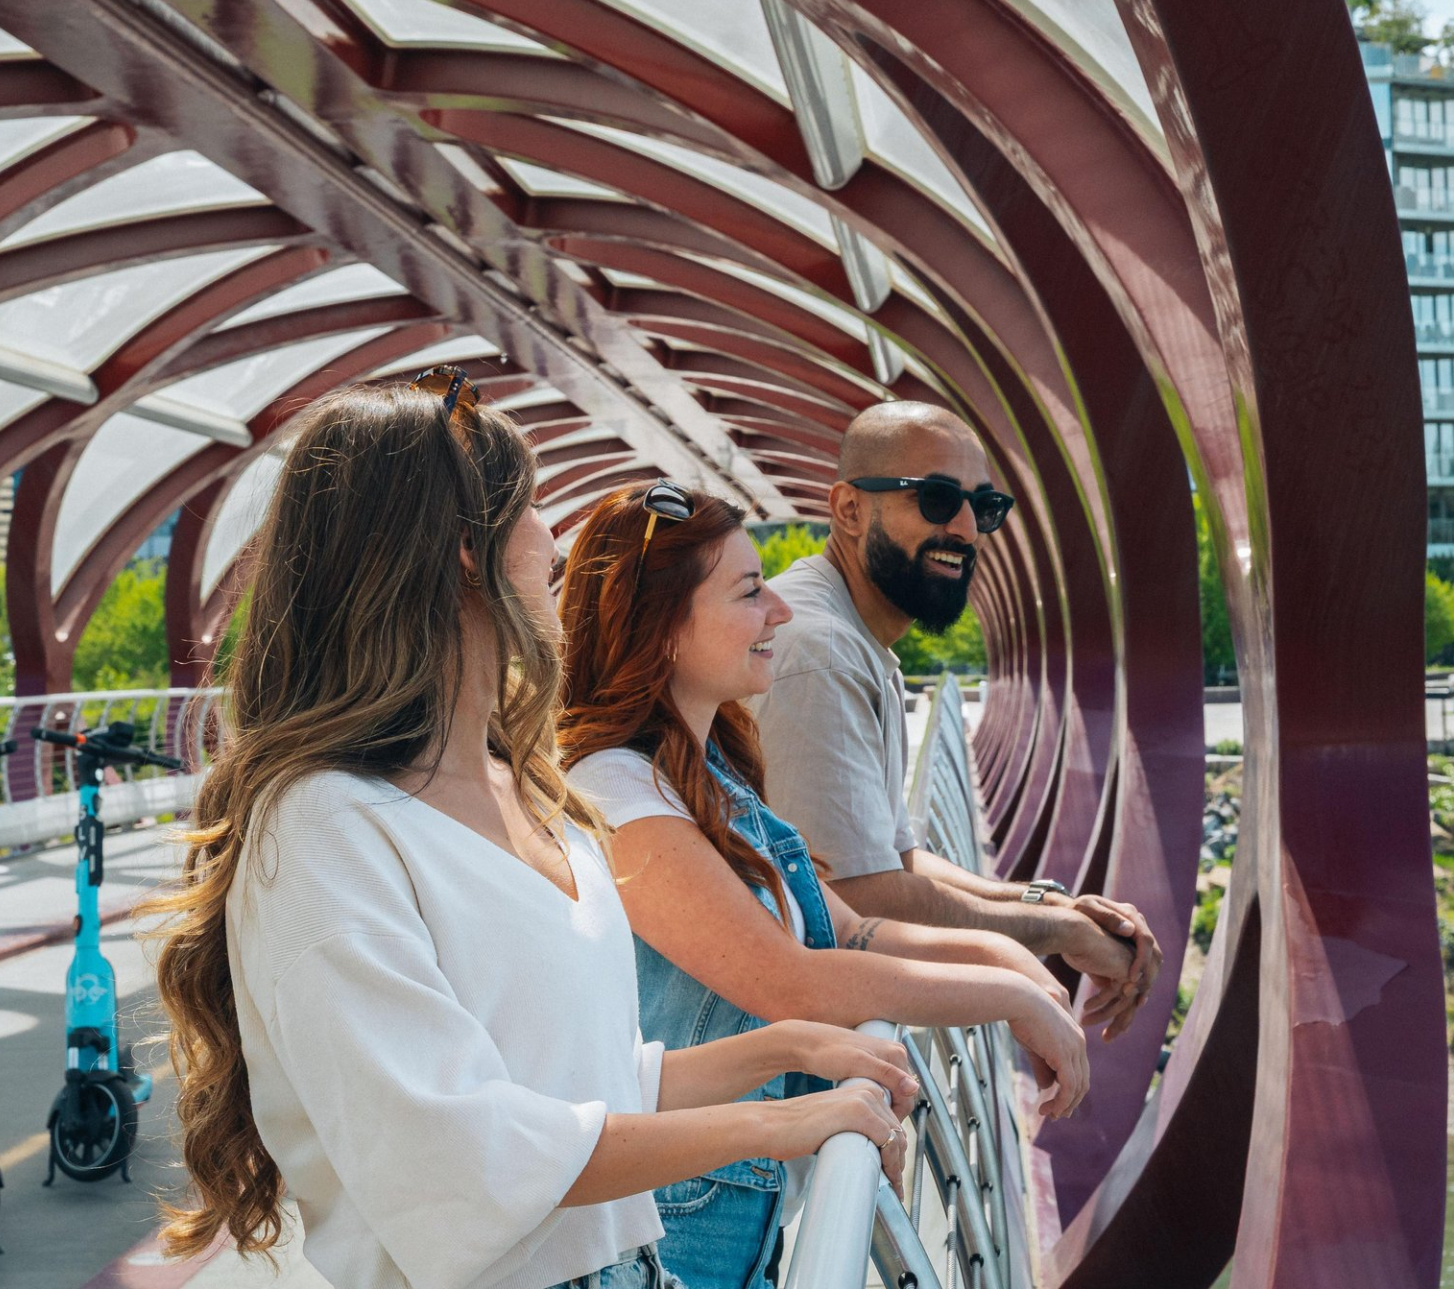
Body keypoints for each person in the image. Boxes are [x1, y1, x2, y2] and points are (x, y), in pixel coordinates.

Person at [148, 373, 909, 1289]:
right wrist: (783, 1122)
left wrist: (791, 1050)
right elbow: (461, 1153)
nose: (558, 539)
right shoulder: (319, 828)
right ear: (465, 553)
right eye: (536, 508)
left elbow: (577, 1082)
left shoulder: (528, 789)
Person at [558, 480, 1091, 1289]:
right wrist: (1009, 997)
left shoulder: (706, 774)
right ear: (663, 630)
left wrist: (1005, 955)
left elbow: (851, 932)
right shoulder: (619, 795)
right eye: (749, 591)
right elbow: (791, 981)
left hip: (728, 1204)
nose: (782, 610)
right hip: (675, 1236)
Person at [748, 402, 1162, 1036]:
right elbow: (859, 899)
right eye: (938, 499)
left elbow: (899, 860)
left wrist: (1049, 904)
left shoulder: (854, 639)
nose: (968, 529)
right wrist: (1054, 932)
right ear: (849, 509)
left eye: (985, 507)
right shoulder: (819, 652)